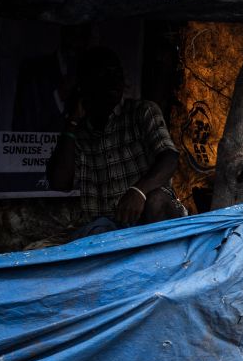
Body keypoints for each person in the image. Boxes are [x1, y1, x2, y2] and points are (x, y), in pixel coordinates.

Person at [46, 47, 186, 237]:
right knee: (90, 234)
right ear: (86, 84)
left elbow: (169, 157)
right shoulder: (79, 133)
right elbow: (59, 182)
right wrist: (71, 123)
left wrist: (139, 191)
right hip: (106, 228)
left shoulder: (142, 112)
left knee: (158, 200)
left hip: (148, 218)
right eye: (104, 74)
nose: (114, 80)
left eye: (117, 73)